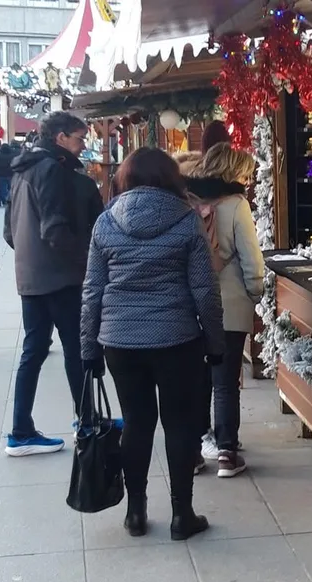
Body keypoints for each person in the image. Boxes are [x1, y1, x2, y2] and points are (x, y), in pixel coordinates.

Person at [80, 147, 225, 540]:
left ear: (124, 179)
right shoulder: (187, 222)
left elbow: (93, 290)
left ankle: (136, 513)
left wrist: (88, 348)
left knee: (137, 424)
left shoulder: (106, 222)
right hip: (177, 339)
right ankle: (182, 515)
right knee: (180, 425)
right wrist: (215, 343)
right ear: (171, 178)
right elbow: (205, 292)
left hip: (119, 342)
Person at [4, 111, 104, 457]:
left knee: (33, 351)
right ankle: (87, 420)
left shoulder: (22, 170)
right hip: (59, 277)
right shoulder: (52, 170)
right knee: (76, 349)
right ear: (61, 137)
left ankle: (21, 429)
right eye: (79, 138)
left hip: (30, 277)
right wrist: (86, 262)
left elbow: (9, 232)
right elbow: (55, 230)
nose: (83, 144)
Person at [186, 143, 264, 477]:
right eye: (246, 171)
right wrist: (256, 292)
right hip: (229, 304)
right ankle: (227, 452)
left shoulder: (188, 199)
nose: (249, 177)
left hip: (193, 302)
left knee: (198, 376)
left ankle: (195, 445)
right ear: (234, 171)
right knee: (226, 380)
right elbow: (251, 258)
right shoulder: (236, 204)